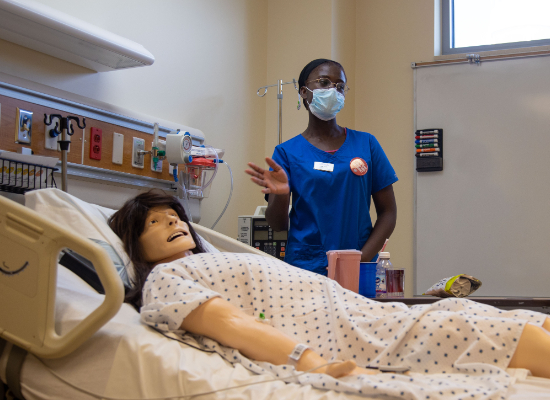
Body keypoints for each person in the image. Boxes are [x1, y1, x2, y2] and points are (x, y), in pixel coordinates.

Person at [109, 190, 550, 389]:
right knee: (475, 329)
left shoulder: (209, 258)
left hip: (356, 312)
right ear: (133, 241)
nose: (173, 222)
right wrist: (312, 362)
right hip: (346, 335)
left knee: (496, 320)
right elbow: (231, 324)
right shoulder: (166, 282)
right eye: (155, 221)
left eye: (175, 216)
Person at [246, 58, 398, 275]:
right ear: (304, 92)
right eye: (324, 82)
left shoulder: (366, 144)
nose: (333, 91)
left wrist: (362, 260)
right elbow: (277, 224)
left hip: (357, 266)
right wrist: (281, 194)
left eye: (340, 86)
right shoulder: (286, 152)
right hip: (305, 268)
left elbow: (388, 212)